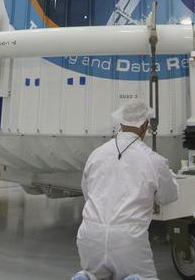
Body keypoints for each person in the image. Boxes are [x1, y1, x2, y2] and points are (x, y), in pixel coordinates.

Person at [72, 101, 179, 280]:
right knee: (141, 277)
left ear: (120, 122)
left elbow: (87, 192)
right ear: (145, 125)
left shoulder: (97, 154)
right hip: (128, 239)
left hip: (90, 234)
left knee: (94, 276)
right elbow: (168, 196)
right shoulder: (153, 160)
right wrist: (172, 177)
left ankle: (86, 277)